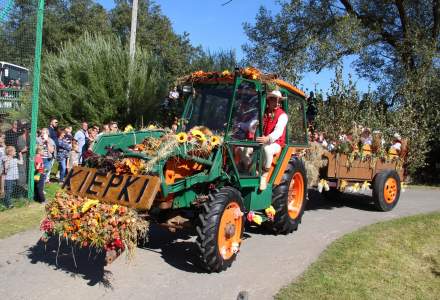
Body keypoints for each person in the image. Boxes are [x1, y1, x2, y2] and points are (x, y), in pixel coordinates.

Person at [256, 90, 288, 190]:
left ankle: (264, 176)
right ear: (269, 100)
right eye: (275, 99)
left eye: (279, 101)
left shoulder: (282, 115)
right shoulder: (263, 112)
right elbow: (253, 123)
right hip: (262, 141)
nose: (277, 103)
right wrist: (240, 126)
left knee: (267, 150)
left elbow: (278, 132)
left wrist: (268, 138)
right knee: (243, 149)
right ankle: (252, 171)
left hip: (276, 143)